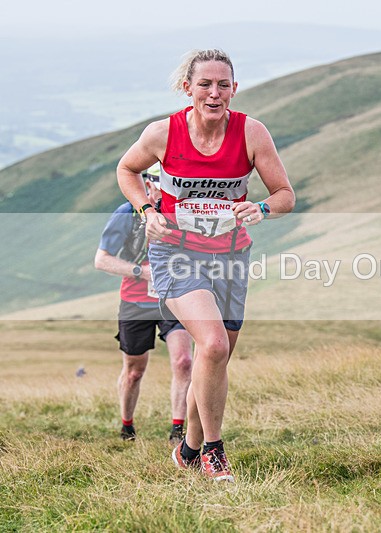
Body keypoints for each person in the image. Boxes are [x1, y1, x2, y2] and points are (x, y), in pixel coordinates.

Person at [117, 49, 295, 482]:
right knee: (212, 345)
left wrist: (263, 209)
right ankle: (215, 451)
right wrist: (147, 210)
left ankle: (190, 449)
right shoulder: (163, 133)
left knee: (216, 358)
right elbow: (127, 169)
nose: (214, 94)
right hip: (176, 252)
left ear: (234, 88)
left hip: (231, 255)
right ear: (188, 88)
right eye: (205, 84)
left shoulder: (252, 133)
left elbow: (285, 194)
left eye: (223, 85)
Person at [95, 164, 193, 445]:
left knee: (184, 361)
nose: (165, 193)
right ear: (147, 185)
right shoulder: (126, 214)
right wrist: (142, 272)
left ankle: (178, 431)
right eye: (160, 186)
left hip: (174, 296)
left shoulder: (183, 213)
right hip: (136, 300)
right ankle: (127, 425)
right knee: (135, 370)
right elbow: (102, 260)